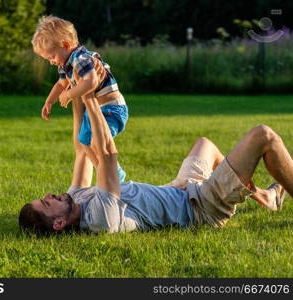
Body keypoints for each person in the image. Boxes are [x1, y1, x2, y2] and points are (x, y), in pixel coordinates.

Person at [19, 96, 291, 234]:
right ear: (59, 223)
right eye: (46, 204)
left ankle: (265, 197)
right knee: (263, 136)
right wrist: (90, 96)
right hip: (201, 208)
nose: (48, 196)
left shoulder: (75, 199)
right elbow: (108, 154)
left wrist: (75, 90)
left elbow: (81, 150)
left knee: (204, 144)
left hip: (181, 190)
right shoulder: (99, 218)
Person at [31, 15, 128, 182]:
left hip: (111, 109)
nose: (51, 62)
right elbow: (61, 84)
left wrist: (69, 94)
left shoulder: (81, 58)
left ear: (66, 45)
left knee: (97, 142)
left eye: (51, 57)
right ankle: (107, 176)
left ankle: (115, 175)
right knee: (84, 142)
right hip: (95, 111)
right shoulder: (65, 63)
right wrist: (49, 101)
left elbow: (92, 81)